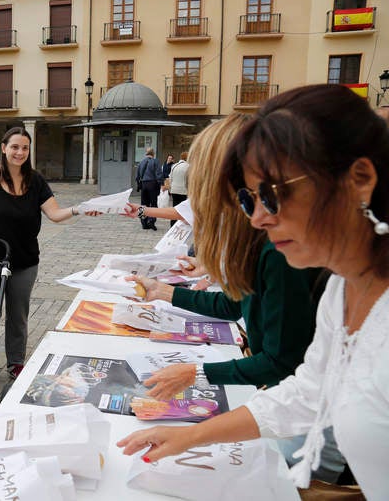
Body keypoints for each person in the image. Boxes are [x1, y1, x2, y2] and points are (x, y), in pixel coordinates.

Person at [118, 84, 389, 496]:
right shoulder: (343, 290)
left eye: (273, 194)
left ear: (360, 180)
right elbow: (306, 392)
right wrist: (190, 437)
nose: (258, 218)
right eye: (247, 199)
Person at [125, 114, 338, 480]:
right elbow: (236, 303)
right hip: (292, 408)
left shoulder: (278, 250)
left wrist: (199, 375)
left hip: (309, 433)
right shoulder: (261, 241)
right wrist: (167, 293)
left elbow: (283, 361)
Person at [0, 127, 87, 379]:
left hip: (24, 261)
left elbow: (54, 214)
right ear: (4, 148)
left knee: (17, 316)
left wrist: (78, 209)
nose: (20, 152)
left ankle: (16, 363)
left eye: (24, 148)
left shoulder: (36, 181)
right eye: (15, 147)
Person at [136, 148, 162, 231]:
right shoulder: (155, 161)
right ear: (153, 153)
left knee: (143, 204)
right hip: (152, 184)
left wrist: (139, 184)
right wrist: (161, 184)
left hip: (144, 184)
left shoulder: (141, 162)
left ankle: (143, 222)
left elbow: (137, 176)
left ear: (146, 154)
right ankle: (151, 220)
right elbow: (159, 174)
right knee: (153, 204)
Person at [168, 151, 189, 225]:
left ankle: (173, 224)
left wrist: (170, 188)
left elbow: (170, 178)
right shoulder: (188, 166)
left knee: (175, 208)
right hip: (183, 191)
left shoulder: (174, 166)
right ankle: (180, 224)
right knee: (183, 209)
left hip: (174, 190)